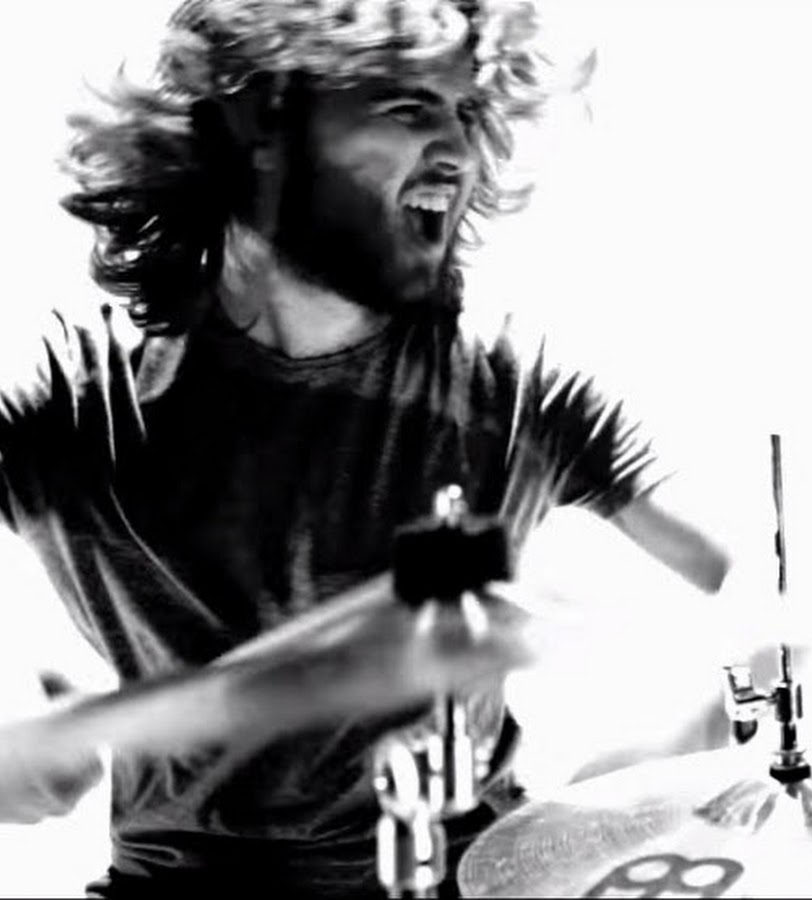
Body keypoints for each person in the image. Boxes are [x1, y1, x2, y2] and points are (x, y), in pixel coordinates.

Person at [0, 0, 731, 895]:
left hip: (464, 880)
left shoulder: (514, 389)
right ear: (261, 122)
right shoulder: (71, 401)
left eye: (468, 113)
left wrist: (655, 775)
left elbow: (765, 582)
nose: (458, 151)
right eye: (410, 106)